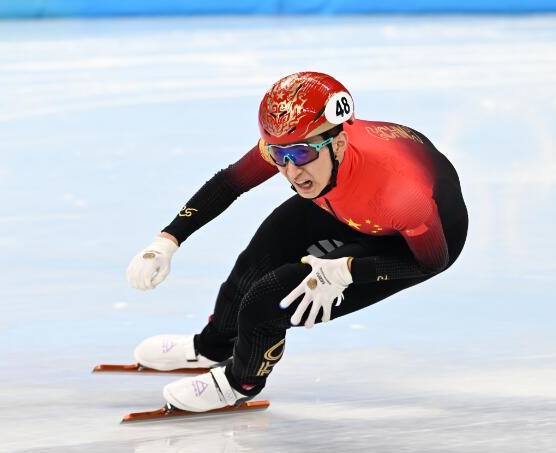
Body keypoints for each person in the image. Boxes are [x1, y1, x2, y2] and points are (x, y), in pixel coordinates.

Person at [124, 72, 468, 413]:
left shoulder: (403, 195)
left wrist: (348, 271)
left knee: (270, 299)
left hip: (415, 242)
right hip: (346, 200)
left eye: (301, 155)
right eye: (277, 155)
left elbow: (432, 262)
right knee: (257, 258)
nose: (290, 171)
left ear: (338, 143)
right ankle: (212, 346)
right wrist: (167, 240)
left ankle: (239, 382)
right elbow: (230, 183)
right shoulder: (302, 145)